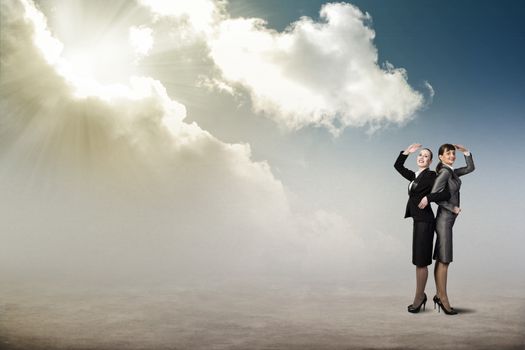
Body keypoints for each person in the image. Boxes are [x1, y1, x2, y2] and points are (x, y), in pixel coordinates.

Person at [394, 143, 450, 313]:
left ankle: (419, 297)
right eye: (420, 155)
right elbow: (398, 166)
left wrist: (429, 197)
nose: (422, 157)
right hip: (418, 220)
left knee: (421, 261)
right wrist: (406, 152)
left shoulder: (432, 175)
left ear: (431, 161)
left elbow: (446, 192)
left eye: (426, 156)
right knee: (419, 261)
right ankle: (422, 295)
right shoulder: (415, 176)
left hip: (425, 221)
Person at [420, 143, 475, 315]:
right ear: (441, 157)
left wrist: (466, 152)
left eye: (453, 153)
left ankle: (439, 295)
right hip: (444, 219)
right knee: (445, 260)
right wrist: (453, 208)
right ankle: (443, 298)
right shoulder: (444, 172)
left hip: (448, 221)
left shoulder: (451, 172)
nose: (452, 155)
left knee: (442, 259)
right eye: (448, 153)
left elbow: (470, 168)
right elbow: (435, 196)